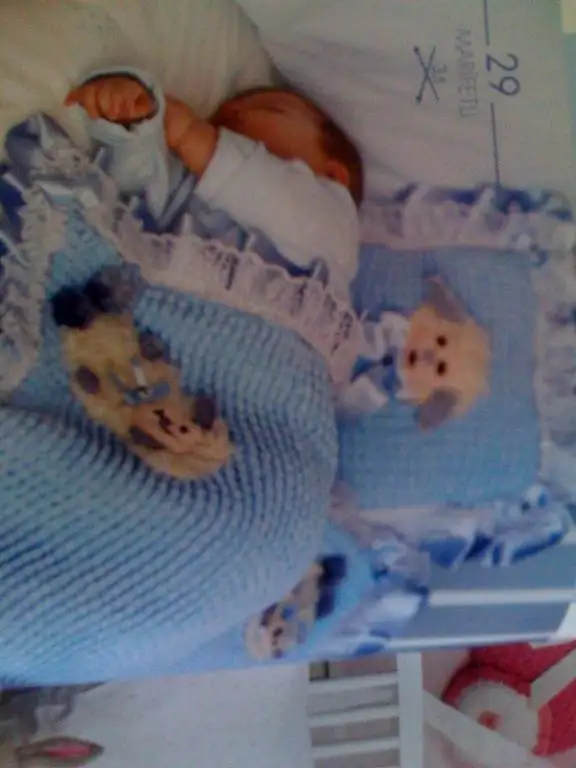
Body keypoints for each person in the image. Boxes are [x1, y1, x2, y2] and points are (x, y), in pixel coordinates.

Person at [66, 72, 363, 301]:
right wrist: (132, 121)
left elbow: (284, 200)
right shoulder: (194, 195)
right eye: (218, 119)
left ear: (334, 176)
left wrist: (192, 134)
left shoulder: (335, 231)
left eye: (271, 109)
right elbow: (137, 197)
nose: (231, 114)